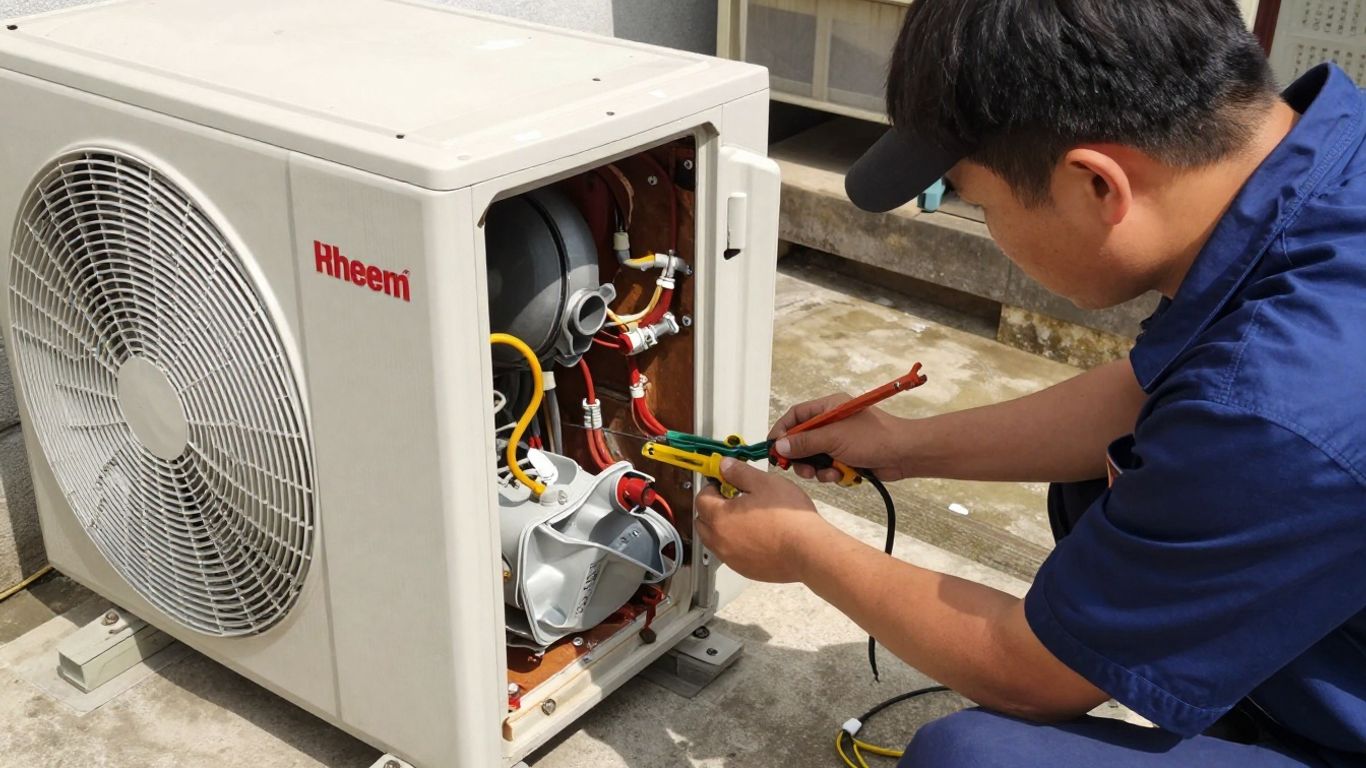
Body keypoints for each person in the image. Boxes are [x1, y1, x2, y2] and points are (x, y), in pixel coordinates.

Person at [693, 1, 1366, 766]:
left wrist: (805, 550)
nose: (986, 225)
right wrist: (903, 447)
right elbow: (1149, 395)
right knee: (1114, 477)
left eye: (977, 205)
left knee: (973, 759)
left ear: (1097, 186)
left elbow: (1031, 674)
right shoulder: (1318, 179)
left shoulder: (1282, 399)